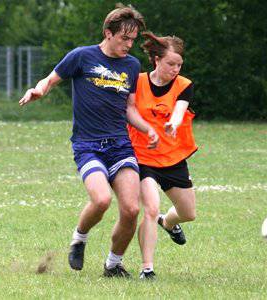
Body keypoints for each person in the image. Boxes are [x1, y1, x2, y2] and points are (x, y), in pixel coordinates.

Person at [19, 4, 159, 278]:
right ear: (108, 33)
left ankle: (113, 265)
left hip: (120, 145)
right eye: (124, 38)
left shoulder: (131, 65)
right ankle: (79, 238)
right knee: (102, 200)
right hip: (88, 145)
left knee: (131, 209)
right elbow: (50, 79)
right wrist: (39, 90)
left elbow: (129, 108)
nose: (129, 45)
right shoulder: (82, 57)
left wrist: (148, 129)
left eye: (132, 40)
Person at [128, 32, 198, 279]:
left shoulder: (184, 85)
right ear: (156, 60)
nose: (175, 69)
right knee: (150, 208)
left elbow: (179, 110)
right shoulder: (136, 82)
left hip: (173, 157)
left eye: (179, 64)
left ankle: (167, 223)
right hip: (142, 157)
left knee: (189, 213)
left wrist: (174, 124)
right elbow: (127, 111)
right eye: (171, 64)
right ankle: (147, 268)